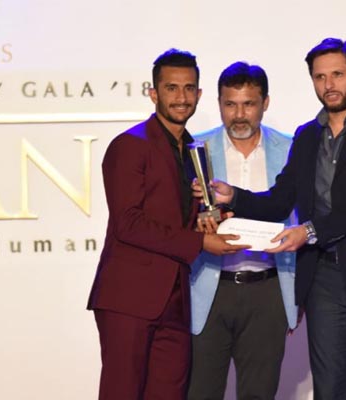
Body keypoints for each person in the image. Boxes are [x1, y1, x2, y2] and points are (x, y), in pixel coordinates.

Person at [200, 38, 346, 399]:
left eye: (338, 74)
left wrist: (309, 231)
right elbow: (280, 200)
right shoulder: (307, 135)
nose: (329, 85)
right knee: (330, 391)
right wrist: (235, 196)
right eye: (320, 77)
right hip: (323, 281)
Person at [87, 49, 248, 400]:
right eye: (171, 88)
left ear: (199, 94)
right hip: (129, 298)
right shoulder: (130, 145)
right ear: (153, 93)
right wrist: (200, 243)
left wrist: (211, 222)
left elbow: (182, 218)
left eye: (189, 88)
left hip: (176, 299)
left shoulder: (194, 150)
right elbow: (128, 223)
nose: (181, 97)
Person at [187, 62, 298, 400]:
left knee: (259, 394)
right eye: (230, 104)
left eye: (248, 104)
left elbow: (304, 215)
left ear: (265, 103)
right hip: (208, 288)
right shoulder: (195, 148)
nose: (238, 115)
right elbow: (176, 215)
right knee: (200, 393)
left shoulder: (292, 149)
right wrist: (196, 223)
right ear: (218, 103)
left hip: (269, 290)